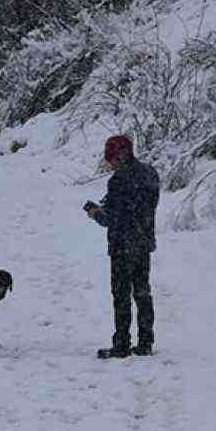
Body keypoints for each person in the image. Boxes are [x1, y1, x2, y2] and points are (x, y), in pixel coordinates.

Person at [83, 134, 161, 359]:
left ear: (121, 154)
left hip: (122, 245)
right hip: (143, 243)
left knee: (121, 295)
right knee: (143, 292)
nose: (110, 163)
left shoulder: (118, 180)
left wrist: (96, 213)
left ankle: (122, 344)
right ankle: (146, 342)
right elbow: (144, 207)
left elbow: (112, 218)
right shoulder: (150, 173)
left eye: (112, 158)